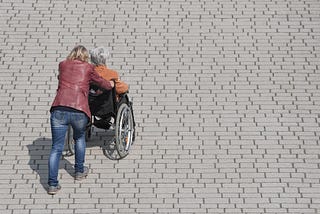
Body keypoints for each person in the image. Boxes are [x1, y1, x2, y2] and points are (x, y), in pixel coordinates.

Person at [48, 45, 114, 195]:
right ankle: (79, 171)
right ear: (85, 57)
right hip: (79, 109)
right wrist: (109, 85)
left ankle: (52, 184)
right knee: (79, 139)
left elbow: (61, 79)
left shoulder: (62, 65)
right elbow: (101, 82)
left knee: (56, 148)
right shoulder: (88, 68)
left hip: (59, 108)